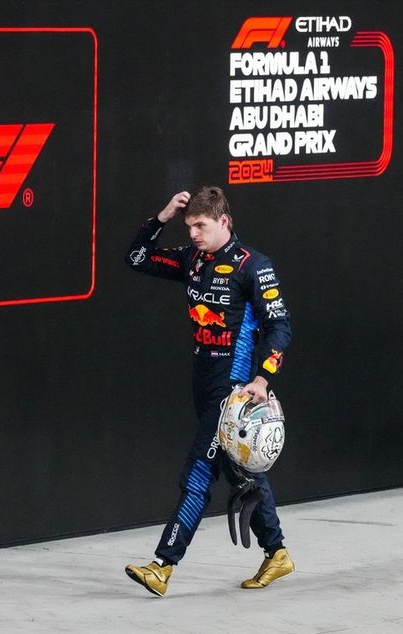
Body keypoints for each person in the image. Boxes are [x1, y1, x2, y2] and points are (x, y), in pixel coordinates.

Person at [123, 186, 293, 597]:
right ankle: (277, 553)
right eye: (190, 226)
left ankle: (163, 565)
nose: (194, 233)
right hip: (202, 379)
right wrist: (161, 218)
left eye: (201, 225)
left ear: (224, 222)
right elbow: (136, 258)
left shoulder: (253, 266)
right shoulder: (192, 260)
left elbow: (280, 326)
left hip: (233, 390)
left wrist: (263, 378)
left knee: (199, 470)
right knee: (241, 469)